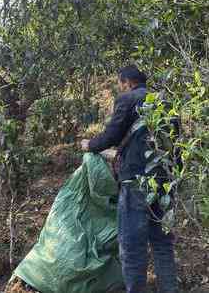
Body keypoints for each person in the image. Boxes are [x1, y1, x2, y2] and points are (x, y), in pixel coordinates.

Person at [80, 65, 178, 293]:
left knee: (132, 247)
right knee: (162, 243)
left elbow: (111, 135)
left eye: (120, 84)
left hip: (136, 183)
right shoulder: (166, 102)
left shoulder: (127, 100)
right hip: (164, 183)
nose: (120, 88)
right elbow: (174, 144)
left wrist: (89, 145)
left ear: (127, 82)